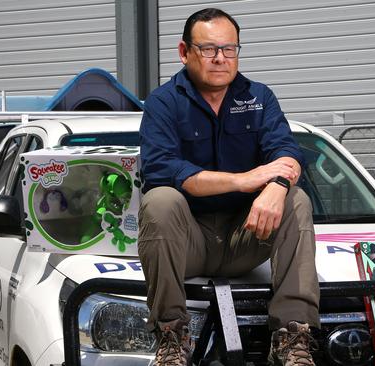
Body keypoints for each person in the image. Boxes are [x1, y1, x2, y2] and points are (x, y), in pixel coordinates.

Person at [138, 8, 320, 366]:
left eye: (229, 49)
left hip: (247, 235)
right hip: (189, 241)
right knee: (160, 200)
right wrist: (246, 179)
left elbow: (287, 152)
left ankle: (293, 339)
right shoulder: (163, 103)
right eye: (208, 49)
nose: (220, 58)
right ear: (184, 52)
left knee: (295, 199)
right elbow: (163, 169)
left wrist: (276, 186)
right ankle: (172, 338)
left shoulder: (259, 97)